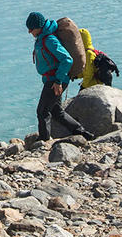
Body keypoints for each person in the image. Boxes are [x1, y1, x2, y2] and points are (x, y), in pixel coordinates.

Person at [26, 12, 94, 144]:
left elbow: (67, 60)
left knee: (42, 111)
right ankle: (83, 133)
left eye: (31, 28)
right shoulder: (42, 37)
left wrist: (58, 81)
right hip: (52, 79)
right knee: (56, 111)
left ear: (39, 27)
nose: (29, 32)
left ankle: (44, 141)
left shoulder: (50, 40)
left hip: (55, 80)